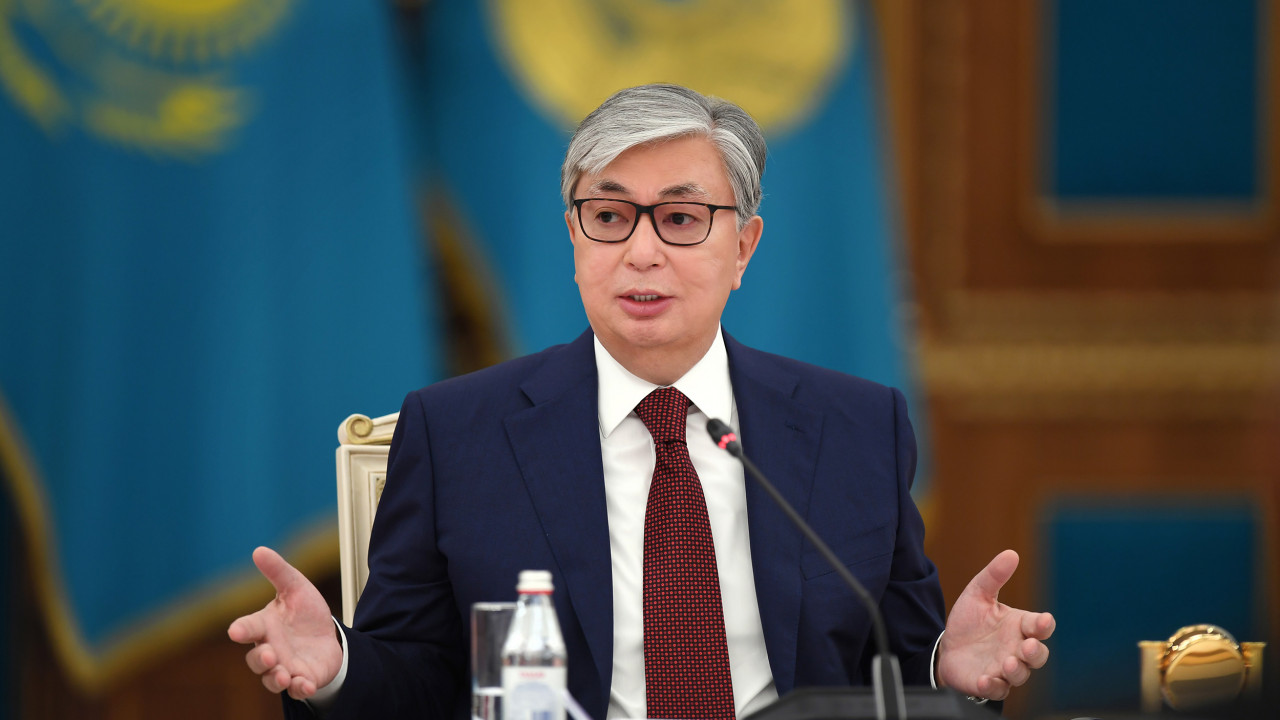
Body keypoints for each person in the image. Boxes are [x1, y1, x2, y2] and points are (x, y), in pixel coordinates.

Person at [228, 83, 1055, 719]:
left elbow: (892, 670)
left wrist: (950, 671)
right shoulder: (459, 434)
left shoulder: (855, 428)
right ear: (574, 238)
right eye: (610, 216)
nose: (642, 251)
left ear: (744, 246)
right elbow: (414, 680)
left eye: (682, 219)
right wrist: (336, 665)